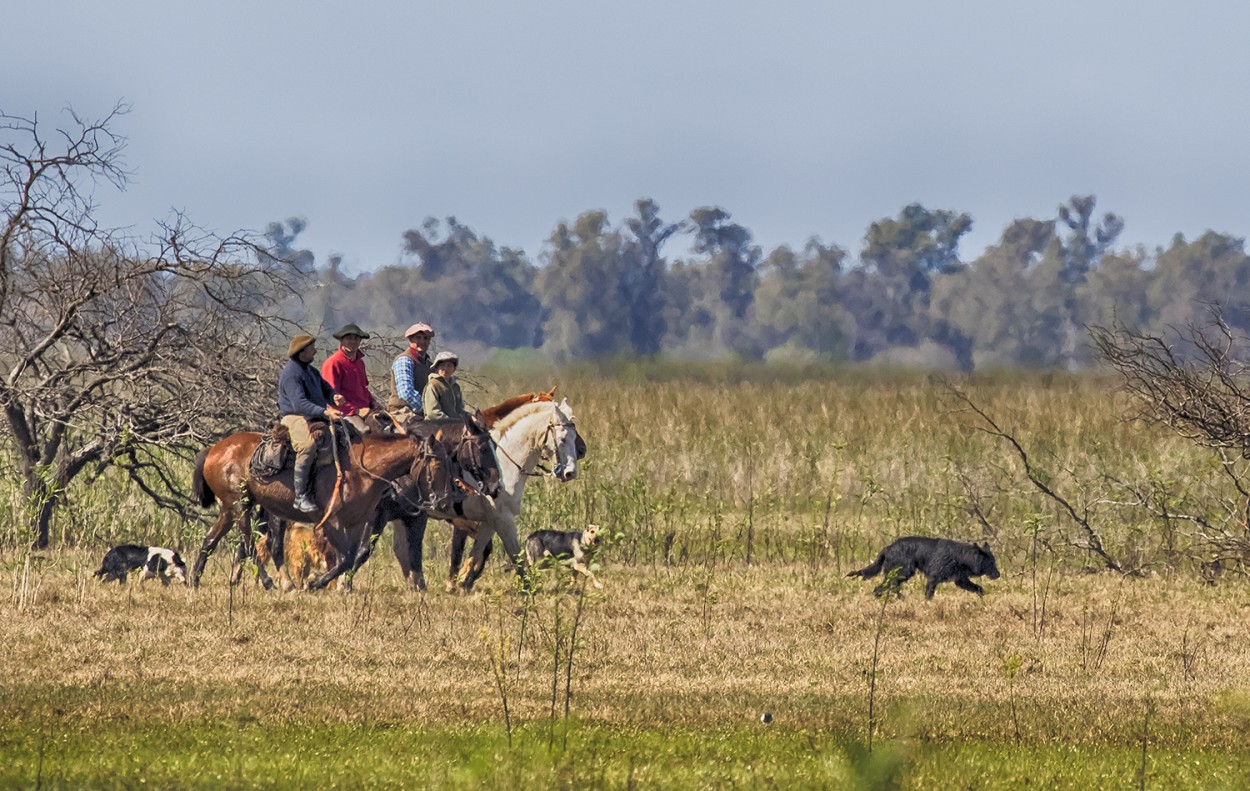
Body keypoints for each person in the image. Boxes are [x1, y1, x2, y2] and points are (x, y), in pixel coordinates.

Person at [278, 334, 343, 513]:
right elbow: (299, 404)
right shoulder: (291, 374)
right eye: (311, 348)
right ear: (302, 352)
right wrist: (325, 411)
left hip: (313, 415)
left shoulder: (310, 370)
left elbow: (325, 388)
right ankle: (300, 496)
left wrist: (333, 396)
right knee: (307, 445)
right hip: (295, 416)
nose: (315, 350)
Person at [321, 322, 377, 433]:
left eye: (356, 338)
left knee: (391, 429)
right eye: (349, 338)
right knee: (364, 431)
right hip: (344, 412)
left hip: (365, 409)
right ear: (341, 340)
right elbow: (331, 396)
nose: (353, 342)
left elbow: (363, 389)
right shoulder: (333, 363)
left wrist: (373, 402)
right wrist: (356, 411)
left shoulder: (360, 363)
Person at [389, 322, 435, 420]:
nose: (422, 341)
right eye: (418, 337)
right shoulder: (404, 360)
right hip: (402, 411)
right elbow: (406, 392)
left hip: (423, 413)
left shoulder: (430, 365)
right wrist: (427, 409)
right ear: (410, 339)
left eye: (426, 338)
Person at [423, 350, 467, 420]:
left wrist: (469, 417)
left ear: (454, 369)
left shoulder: (456, 387)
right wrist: (452, 421)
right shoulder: (433, 385)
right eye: (442, 365)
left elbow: (460, 409)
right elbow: (433, 413)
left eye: (449, 366)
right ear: (437, 368)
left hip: (455, 425)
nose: (445, 369)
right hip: (435, 426)